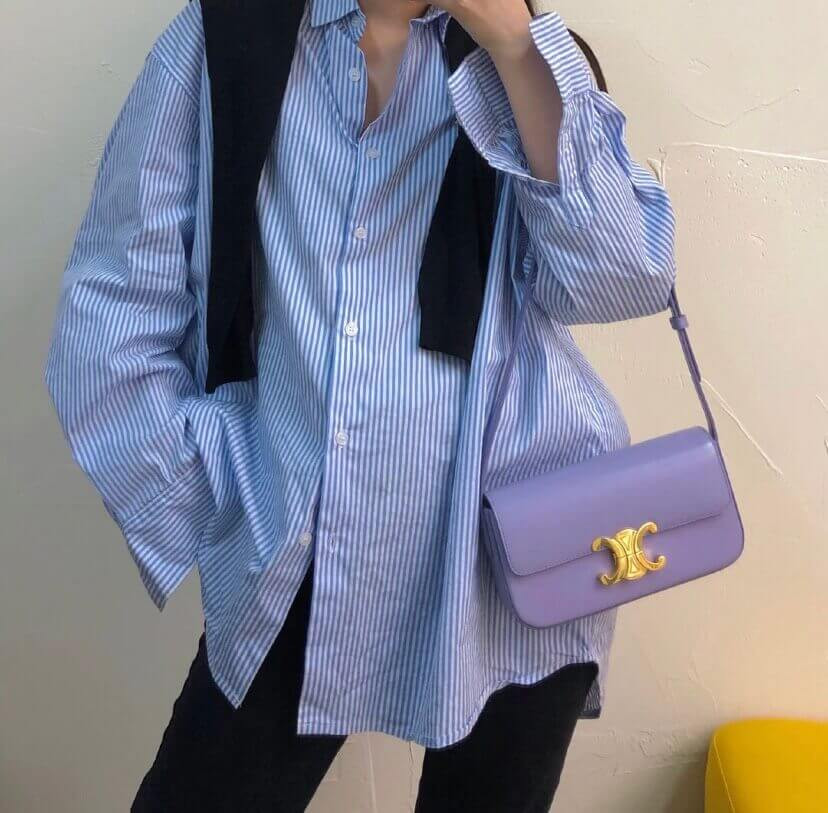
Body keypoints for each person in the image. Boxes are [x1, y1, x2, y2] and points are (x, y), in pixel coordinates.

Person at [43, 0, 677, 810]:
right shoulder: (226, 37)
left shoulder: (531, 59)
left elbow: (622, 281)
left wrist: (516, 46)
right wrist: (215, 497)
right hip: (299, 548)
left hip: (523, 554)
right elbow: (113, 310)